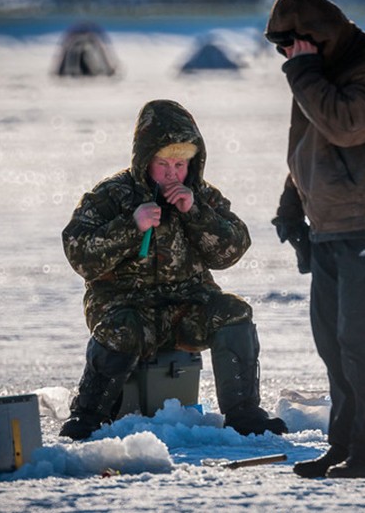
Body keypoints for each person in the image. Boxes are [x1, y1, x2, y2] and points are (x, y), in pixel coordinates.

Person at [59, 99, 288, 440]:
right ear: (144, 160)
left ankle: (244, 414)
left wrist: (197, 213)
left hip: (187, 306)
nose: (171, 174)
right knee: (122, 328)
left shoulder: (202, 196)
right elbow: (79, 254)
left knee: (233, 311)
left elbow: (232, 249)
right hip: (125, 306)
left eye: (180, 164)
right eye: (163, 164)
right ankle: (88, 416)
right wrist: (130, 227)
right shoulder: (111, 195)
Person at [265, 0, 365, 480]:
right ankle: (343, 446)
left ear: (315, 36)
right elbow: (309, 143)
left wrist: (304, 72)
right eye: (281, 50)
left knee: (360, 341)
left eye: (292, 46)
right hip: (327, 223)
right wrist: (291, 207)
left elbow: (346, 126)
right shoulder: (313, 73)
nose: (287, 57)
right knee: (332, 342)